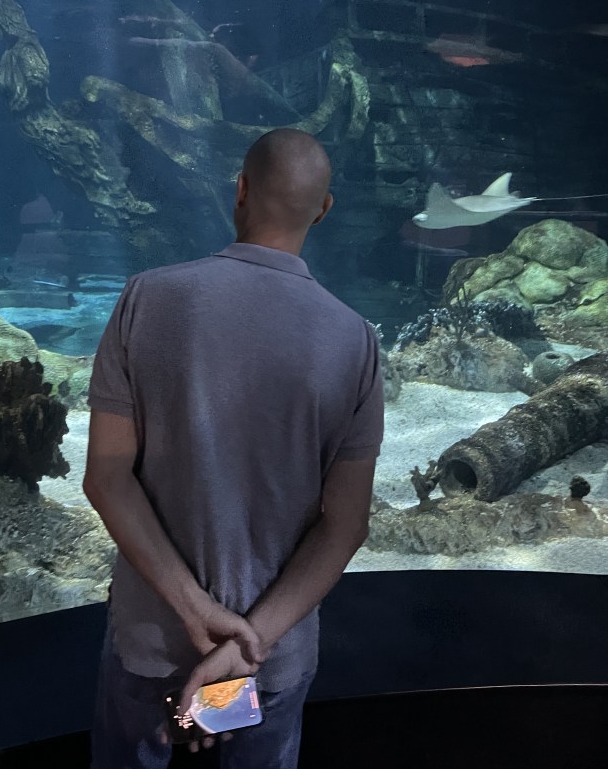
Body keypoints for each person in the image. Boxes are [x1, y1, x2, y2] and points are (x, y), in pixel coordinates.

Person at [84, 127, 384, 769]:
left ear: (240, 189)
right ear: (324, 209)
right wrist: (247, 645)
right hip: (265, 658)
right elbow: (345, 524)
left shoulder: (146, 298)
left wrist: (196, 615)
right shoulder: (356, 341)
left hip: (153, 642)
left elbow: (106, 477)